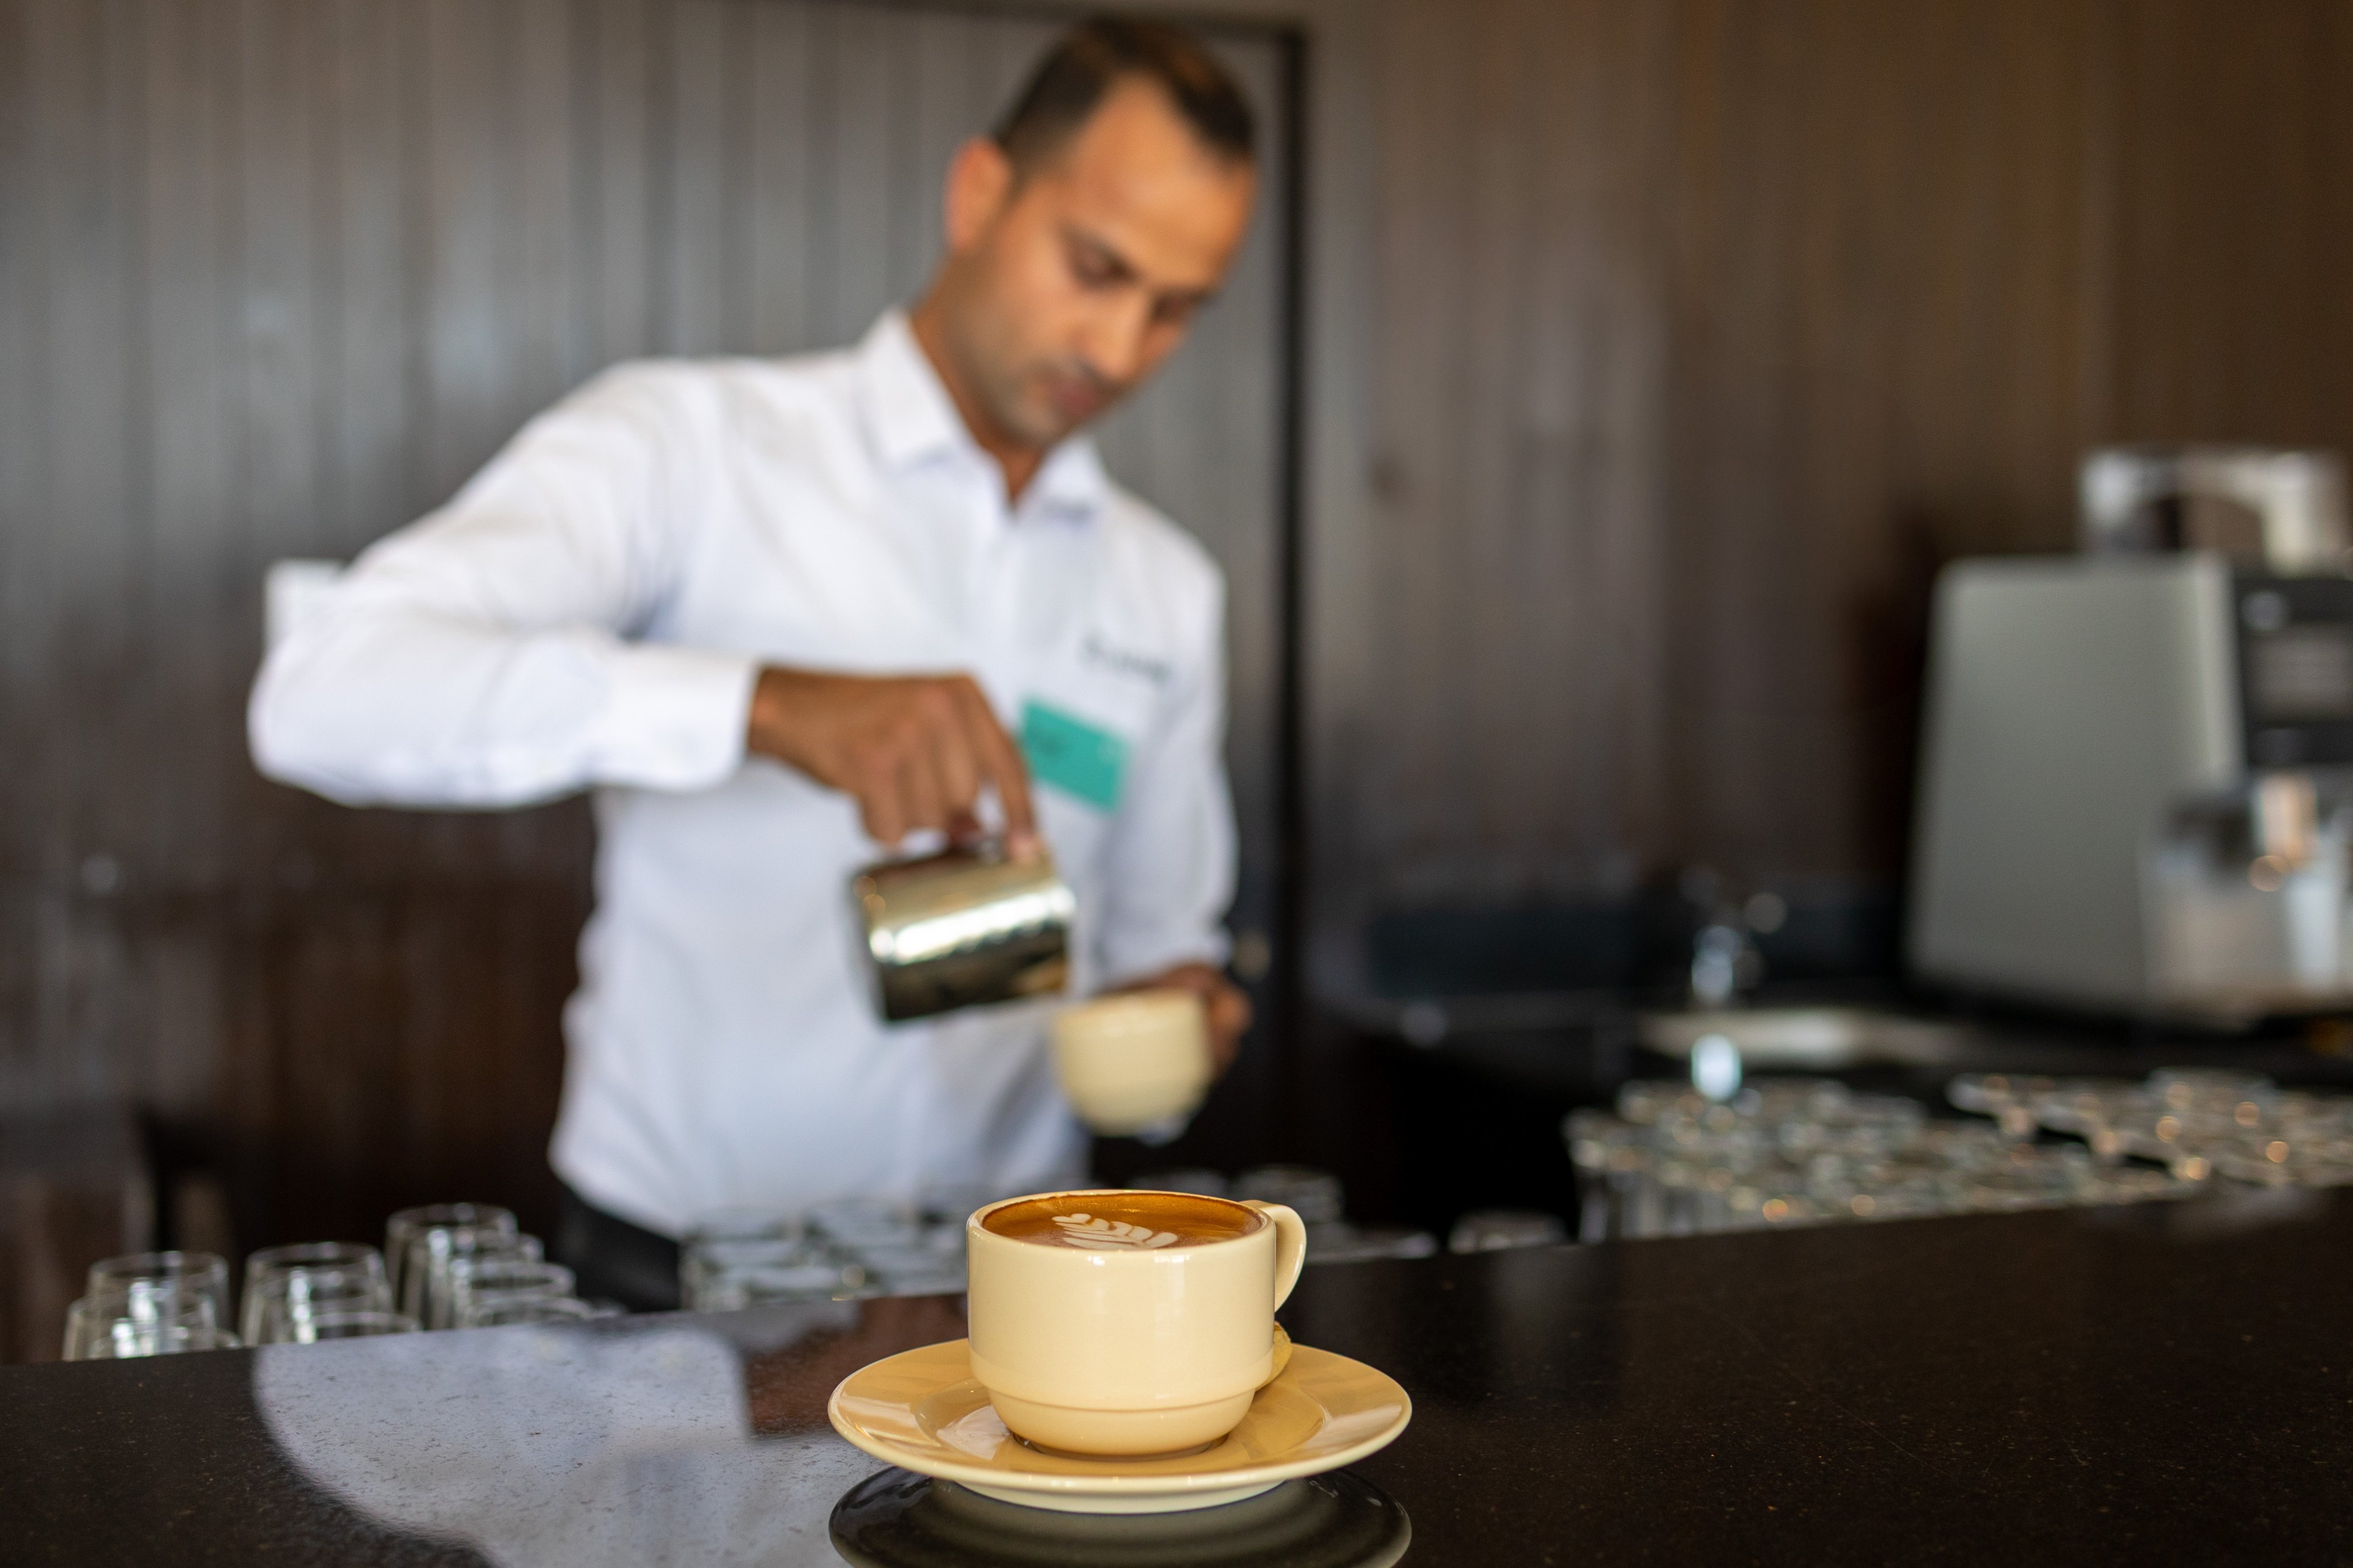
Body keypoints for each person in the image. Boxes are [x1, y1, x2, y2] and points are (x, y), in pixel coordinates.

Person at [248, 18, 1259, 1310]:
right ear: (979, 194)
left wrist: (1179, 1012)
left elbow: (1158, 952)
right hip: (672, 1287)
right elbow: (323, 691)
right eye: (1094, 268)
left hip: (1012, 1294)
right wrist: (759, 705)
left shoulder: (1164, 590)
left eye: (1174, 311)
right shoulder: (692, 448)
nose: (1116, 349)